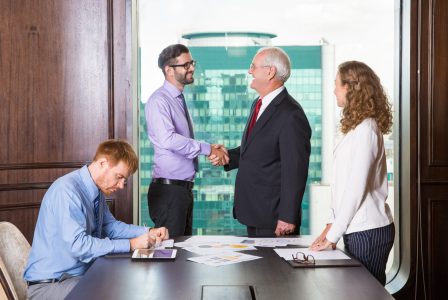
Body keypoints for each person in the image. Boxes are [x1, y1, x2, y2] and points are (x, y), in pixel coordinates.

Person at [23, 139, 169, 299]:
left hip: (79, 277)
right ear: (102, 163)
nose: (121, 185)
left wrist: (149, 231)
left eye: (124, 180)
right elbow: (79, 246)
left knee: (130, 284)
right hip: (51, 285)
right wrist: (131, 244)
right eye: (119, 177)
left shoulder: (96, 191)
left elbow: (110, 227)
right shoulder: (67, 191)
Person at [210, 47, 311, 237]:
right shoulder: (258, 103)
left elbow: (295, 169)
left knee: (274, 268)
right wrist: (227, 156)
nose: (249, 71)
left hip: (274, 218)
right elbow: (257, 149)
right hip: (255, 211)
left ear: (270, 71)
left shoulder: (291, 114)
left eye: (253, 67)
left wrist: (287, 216)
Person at [310, 61, 395, 286]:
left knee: (366, 294)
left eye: (336, 84)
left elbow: (355, 189)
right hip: (358, 229)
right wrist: (331, 223)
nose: (333, 89)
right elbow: (343, 186)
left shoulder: (367, 129)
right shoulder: (357, 128)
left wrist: (332, 236)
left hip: (368, 231)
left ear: (351, 87)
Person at [145, 44, 228, 237]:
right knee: (171, 255)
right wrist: (207, 149)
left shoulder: (178, 99)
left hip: (181, 191)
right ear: (169, 70)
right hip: (169, 192)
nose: (192, 68)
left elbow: (181, 139)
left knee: (182, 254)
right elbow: (168, 140)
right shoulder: (159, 101)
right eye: (186, 65)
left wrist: (210, 148)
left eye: (192, 63)